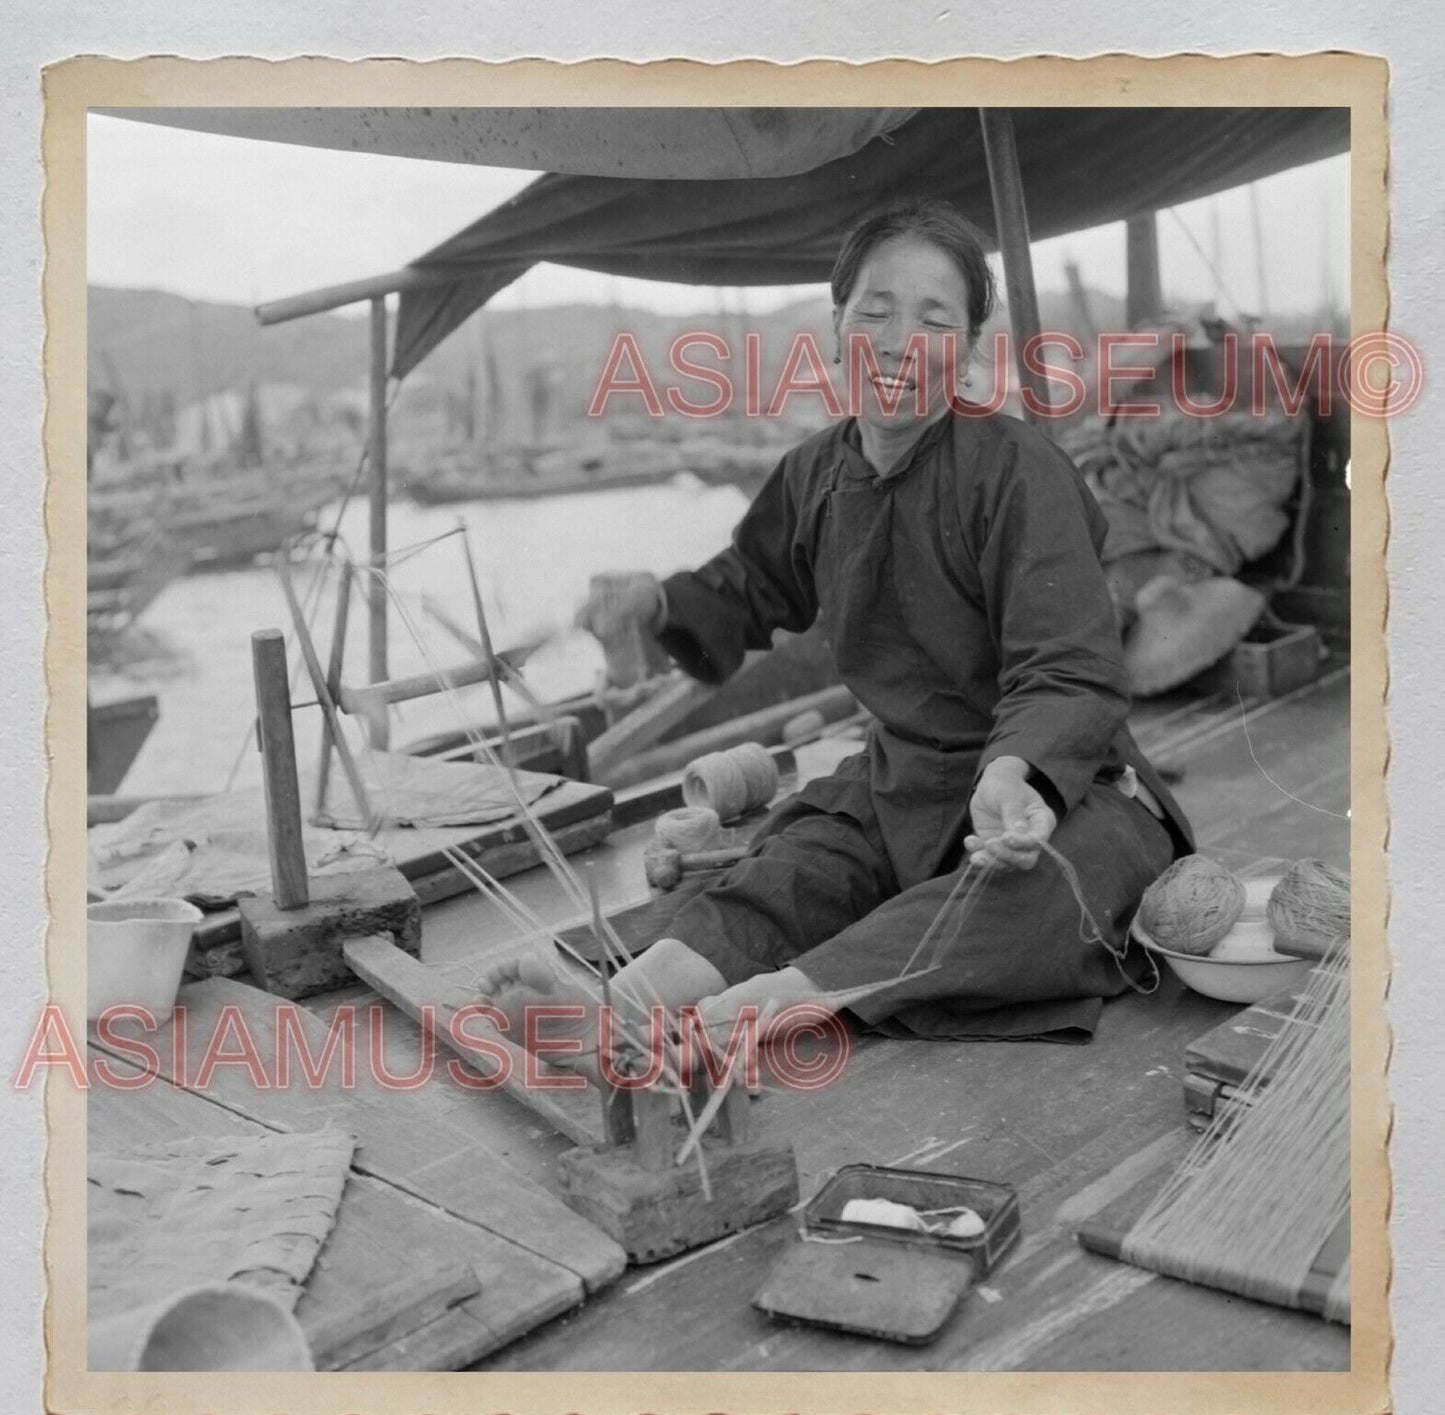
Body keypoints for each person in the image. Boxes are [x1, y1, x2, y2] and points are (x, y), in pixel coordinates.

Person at [484, 199, 1193, 1067]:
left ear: (969, 349)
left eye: (935, 320)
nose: (898, 342)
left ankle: (722, 1028)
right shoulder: (815, 474)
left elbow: (1070, 669)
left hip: (1056, 795)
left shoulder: (1018, 471)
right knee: (792, 864)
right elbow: (744, 588)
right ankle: (617, 1006)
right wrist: (655, 606)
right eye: (876, 310)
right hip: (897, 784)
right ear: (836, 326)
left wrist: (1015, 776)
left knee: (1039, 900)